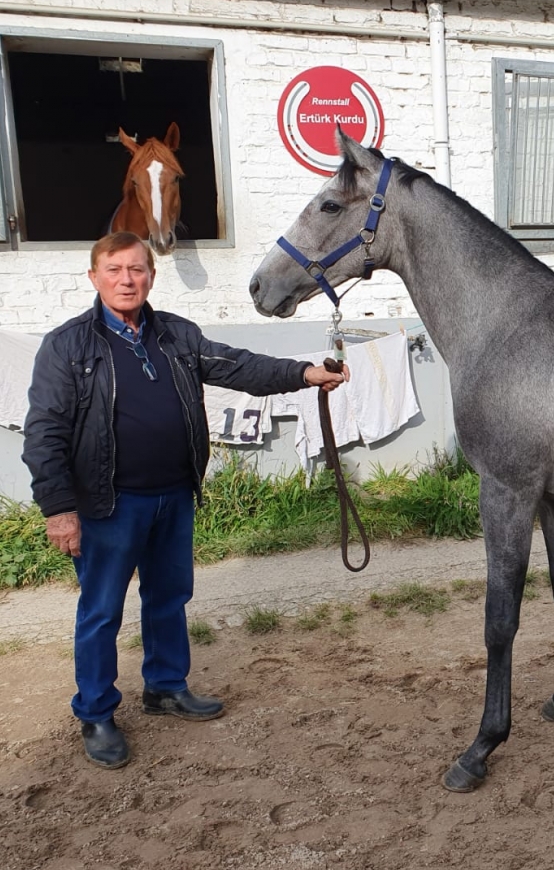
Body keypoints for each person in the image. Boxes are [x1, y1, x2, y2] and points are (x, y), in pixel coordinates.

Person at [23, 232, 347, 769]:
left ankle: (166, 687)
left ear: (151, 275)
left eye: (137, 270)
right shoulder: (67, 345)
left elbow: (238, 366)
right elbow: (45, 433)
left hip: (173, 495)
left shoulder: (177, 333)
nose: (126, 280)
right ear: (94, 277)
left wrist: (304, 373)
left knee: (169, 598)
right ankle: (97, 712)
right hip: (107, 504)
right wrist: (59, 509)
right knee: (101, 611)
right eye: (114, 270)